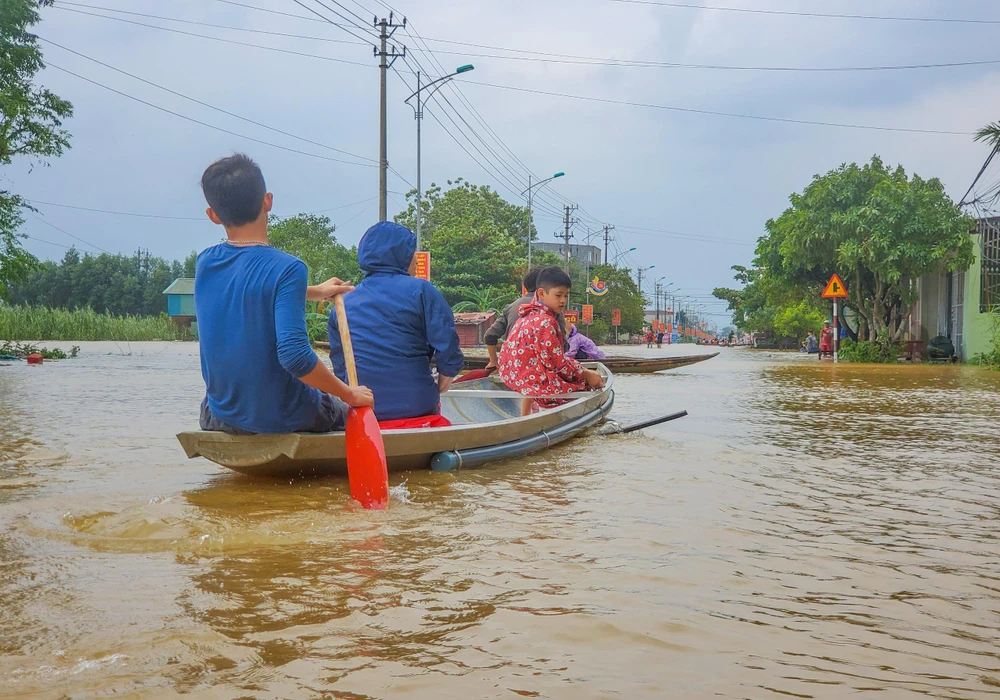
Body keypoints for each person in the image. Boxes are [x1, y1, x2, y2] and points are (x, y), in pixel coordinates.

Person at [194, 153, 373, 435]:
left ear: (213, 215)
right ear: (268, 201)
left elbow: (254, 292)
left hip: (218, 417)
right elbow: (295, 357)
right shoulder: (288, 268)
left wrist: (317, 292)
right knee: (347, 407)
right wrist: (349, 394)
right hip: (285, 417)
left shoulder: (206, 263)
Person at [327, 221, 463, 422]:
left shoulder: (342, 304)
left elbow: (340, 365)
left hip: (364, 408)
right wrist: (447, 373)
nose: (416, 260)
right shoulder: (422, 291)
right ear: (402, 256)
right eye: (411, 253)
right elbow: (446, 339)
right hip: (417, 405)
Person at [498, 266, 604, 416]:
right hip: (534, 379)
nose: (563, 301)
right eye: (558, 295)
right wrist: (586, 374)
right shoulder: (546, 322)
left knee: (556, 372)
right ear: (541, 293)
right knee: (582, 384)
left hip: (516, 376)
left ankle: (525, 416)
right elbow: (556, 363)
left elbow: (542, 360)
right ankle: (549, 415)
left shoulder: (528, 314)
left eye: (566, 296)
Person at [484, 267, 566, 372]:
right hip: (541, 373)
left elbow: (490, 335)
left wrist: (493, 361)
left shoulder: (512, 307)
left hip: (513, 370)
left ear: (526, 287)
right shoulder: (552, 308)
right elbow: (562, 344)